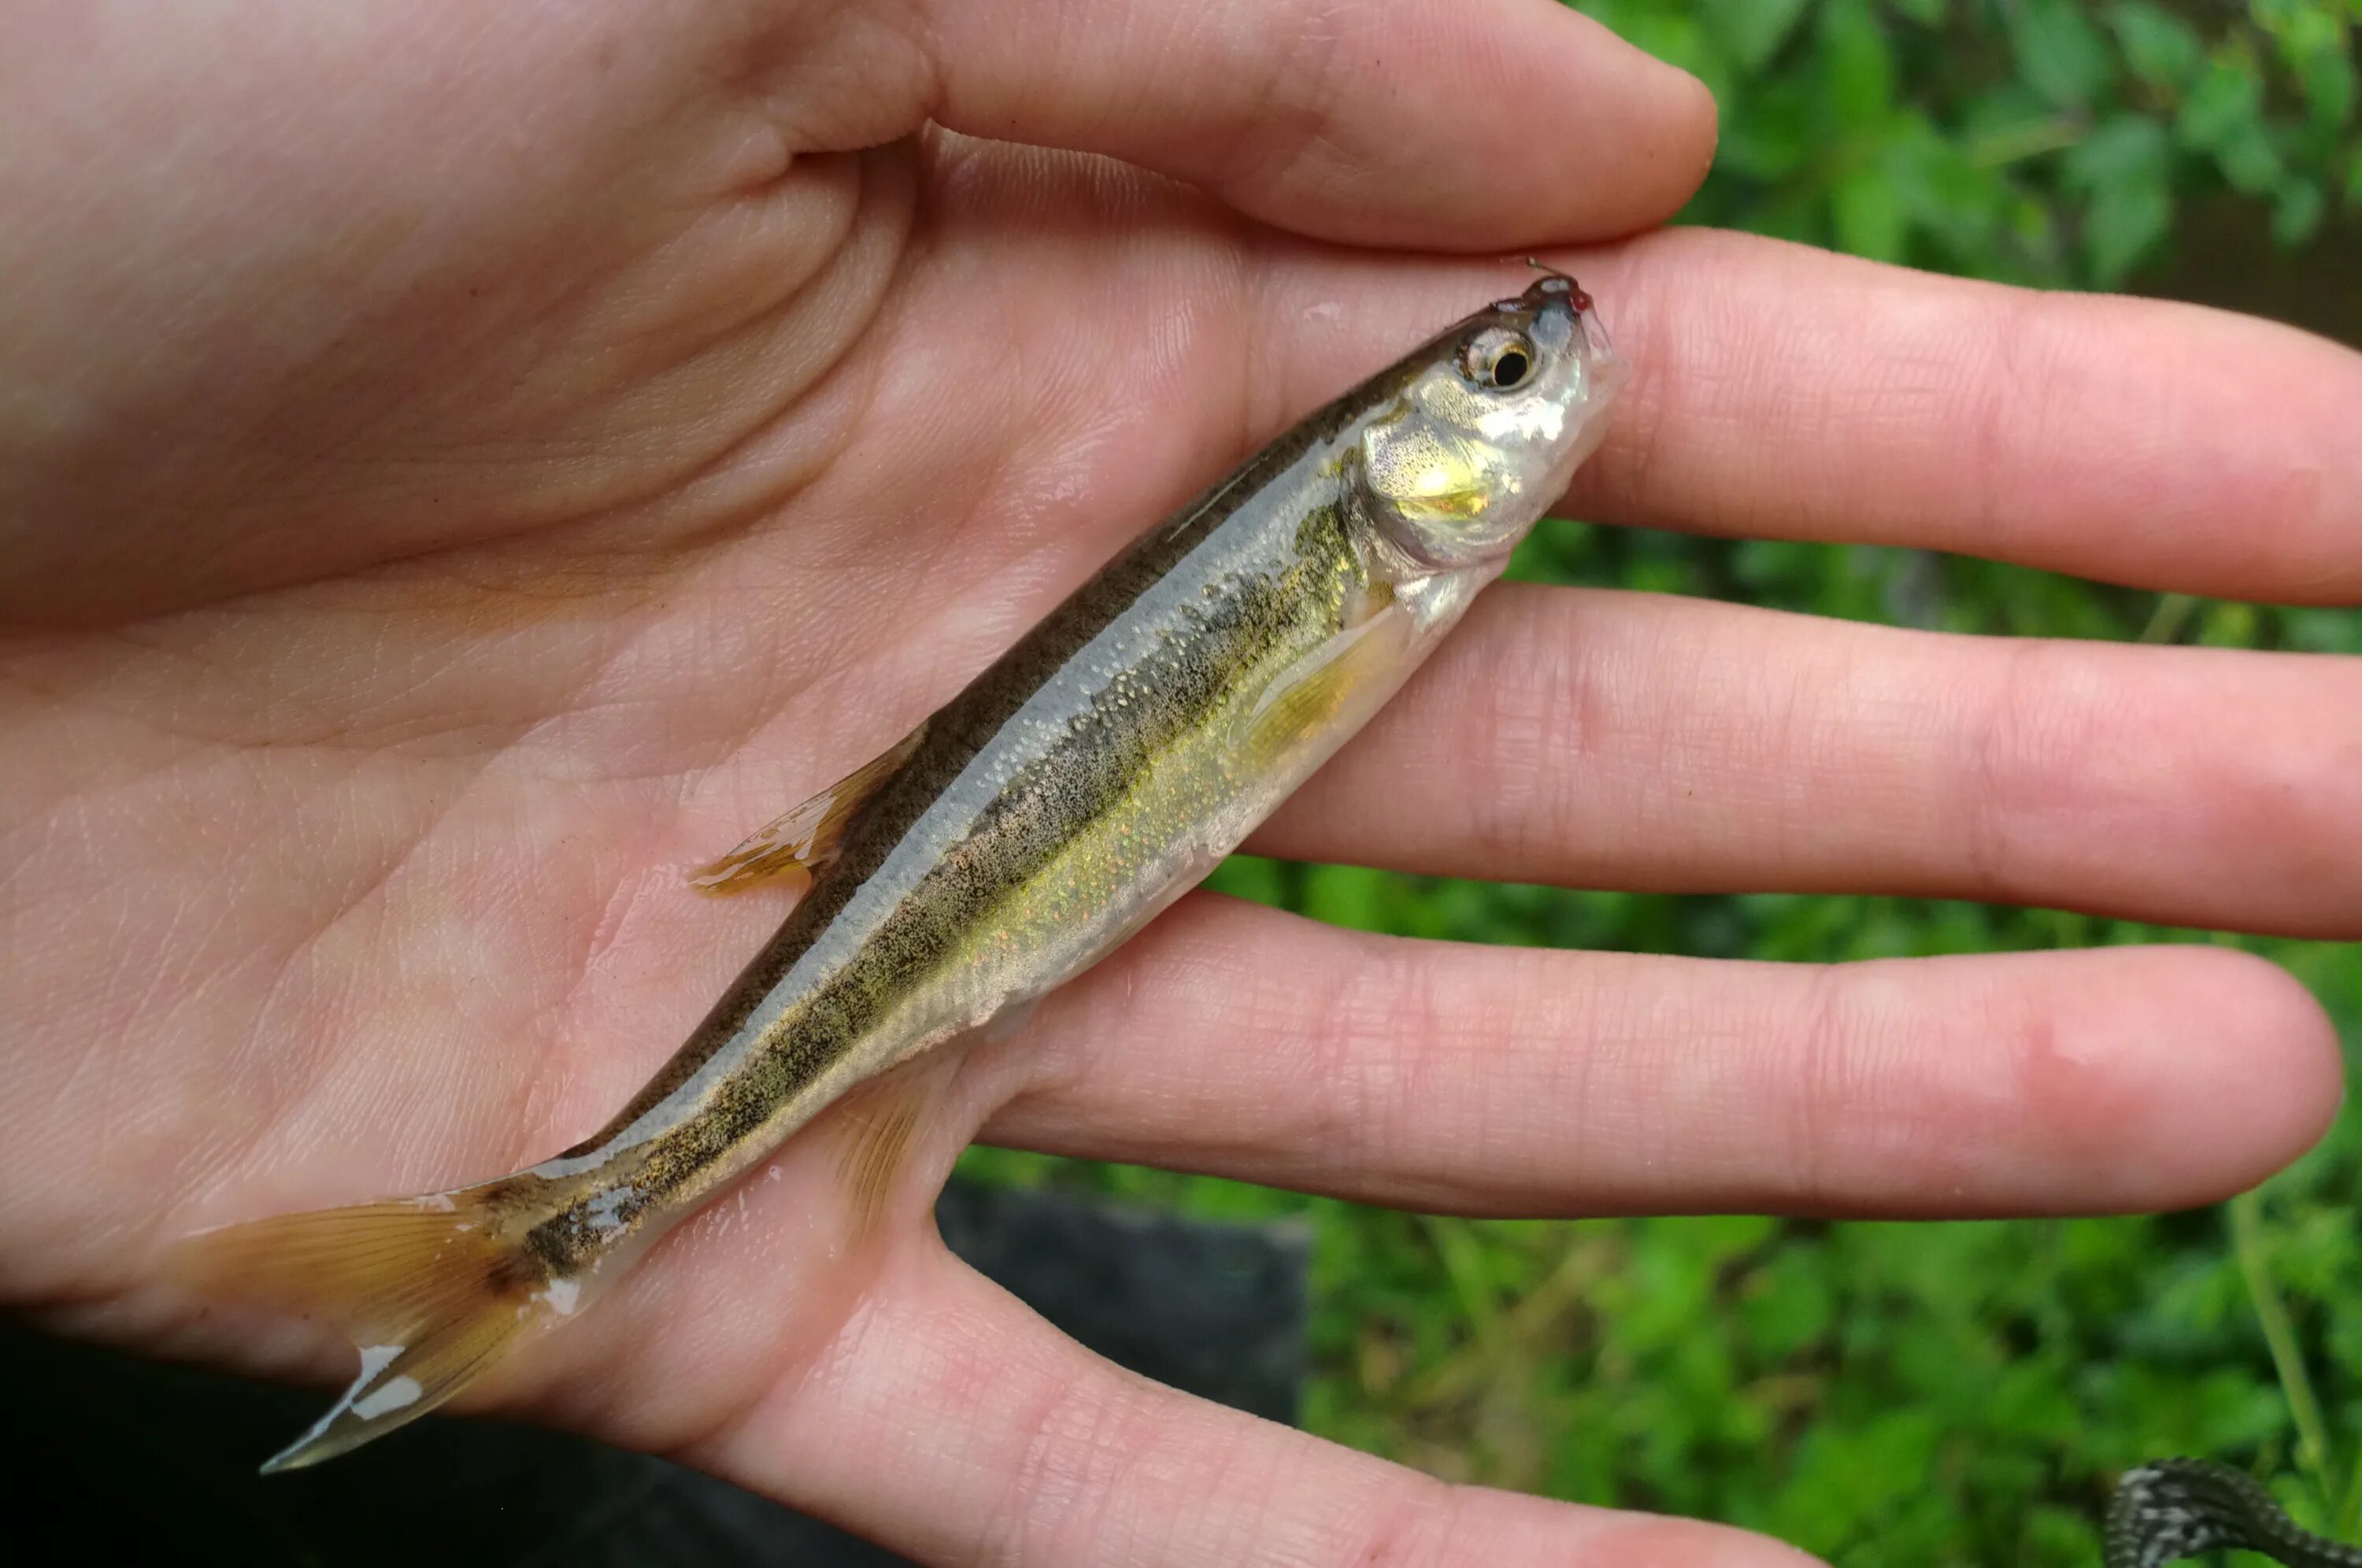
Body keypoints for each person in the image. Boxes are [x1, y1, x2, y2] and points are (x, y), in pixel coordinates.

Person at [3, 2, 2355, 1562]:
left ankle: (551, 1243)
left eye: (1522, 364)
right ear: (1408, 463)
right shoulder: (1354, 538)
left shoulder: (1374, 547)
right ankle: (573, 1218)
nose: (1559, 373)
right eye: (1511, 375)